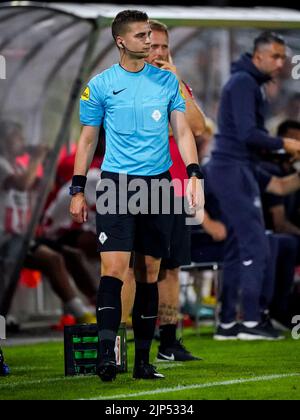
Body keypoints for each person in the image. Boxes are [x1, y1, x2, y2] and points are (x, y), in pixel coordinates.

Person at [70, 10, 204, 382]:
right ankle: (106, 354)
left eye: (150, 35)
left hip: (159, 186)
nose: (150, 42)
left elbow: (184, 132)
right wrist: (77, 189)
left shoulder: (166, 82)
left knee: (149, 272)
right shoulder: (99, 85)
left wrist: (193, 174)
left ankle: (144, 361)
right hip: (116, 185)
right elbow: (87, 139)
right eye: (143, 36)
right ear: (121, 41)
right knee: (113, 269)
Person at [120, 19, 206, 362]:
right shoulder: (126, 82)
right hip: (137, 185)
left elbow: (197, 127)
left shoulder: (173, 82)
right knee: (130, 265)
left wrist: (176, 84)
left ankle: (168, 341)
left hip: (174, 187)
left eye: (163, 47)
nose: (157, 52)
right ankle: (119, 339)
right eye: (152, 45)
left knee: (171, 266)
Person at [205, 32, 300, 340]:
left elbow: (279, 180)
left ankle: (229, 322)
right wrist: (284, 143)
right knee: (255, 243)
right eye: (275, 56)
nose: (280, 62)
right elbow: (248, 133)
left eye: (282, 56)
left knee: (237, 245)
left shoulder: (248, 83)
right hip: (232, 167)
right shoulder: (245, 83)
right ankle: (251, 321)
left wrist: (279, 149)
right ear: (257, 56)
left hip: (237, 166)